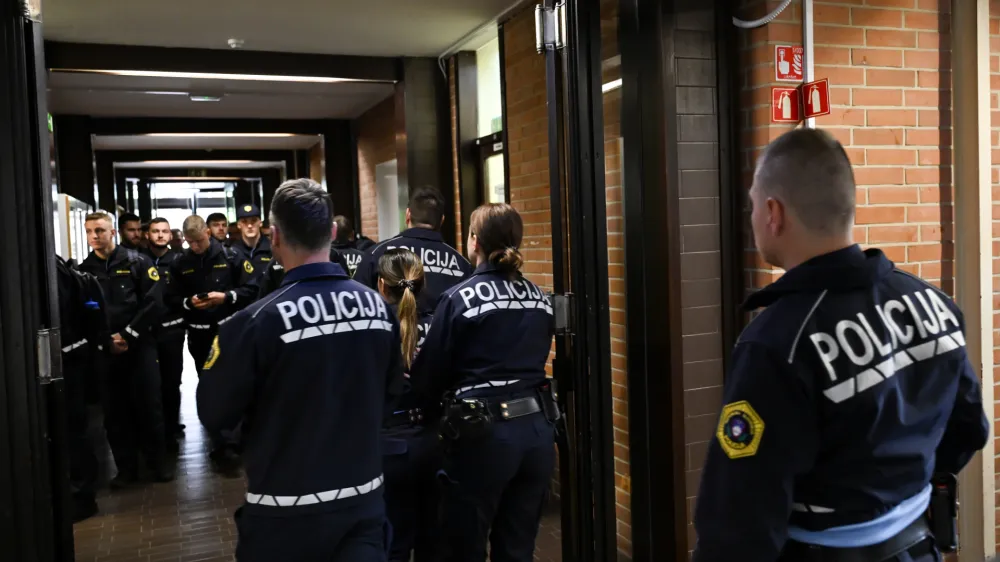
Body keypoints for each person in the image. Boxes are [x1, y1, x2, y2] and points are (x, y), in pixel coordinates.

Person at [691, 128, 989, 562]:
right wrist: (896, 494)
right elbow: (968, 428)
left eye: (754, 205)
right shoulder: (933, 304)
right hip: (918, 548)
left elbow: (740, 517)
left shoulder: (778, 343)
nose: (754, 216)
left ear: (773, 212)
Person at [197, 178, 405, 561]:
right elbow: (392, 392)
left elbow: (214, 413)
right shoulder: (379, 310)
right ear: (332, 232)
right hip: (363, 500)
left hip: (285, 511)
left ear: (274, 236)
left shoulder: (252, 323)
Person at [410, 203, 558, 562]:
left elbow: (428, 376)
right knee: (518, 546)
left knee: (464, 544)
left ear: (474, 241)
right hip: (537, 434)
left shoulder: (460, 298)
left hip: (483, 436)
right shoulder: (540, 298)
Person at [79, 212, 173, 486]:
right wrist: (106, 339)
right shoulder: (84, 271)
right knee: (115, 413)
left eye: (99, 230)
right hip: (106, 351)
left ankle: (157, 465)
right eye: (89, 231)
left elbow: (154, 303)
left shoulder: (136, 262)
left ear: (113, 233)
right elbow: (83, 313)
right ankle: (126, 469)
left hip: (139, 345)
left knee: (149, 407)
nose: (94, 236)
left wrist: (129, 333)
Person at [167, 214, 259, 474]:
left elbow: (252, 290)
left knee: (236, 384)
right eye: (190, 242)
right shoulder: (180, 262)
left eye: (198, 241)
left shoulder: (231, 257)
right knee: (210, 386)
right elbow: (170, 297)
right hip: (198, 333)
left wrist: (225, 296)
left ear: (207, 232)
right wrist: (189, 302)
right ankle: (221, 441)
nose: (195, 246)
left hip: (227, 330)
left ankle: (236, 441)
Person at [377, 249, 439, 562]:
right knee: (432, 538)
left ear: (380, 285)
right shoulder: (440, 321)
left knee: (394, 543)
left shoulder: (371, 328)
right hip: (433, 440)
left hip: (388, 445)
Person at [355, 186, 473, 312]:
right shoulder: (462, 264)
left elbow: (358, 304)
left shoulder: (377, 254)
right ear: (442, 220)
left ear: (407, 215)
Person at [56, 254, 110, 521]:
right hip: (69, 358)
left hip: (67, 360)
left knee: (73, 429)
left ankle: (83, 494)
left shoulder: (52, 269)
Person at [142, 217, 186, 449]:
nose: (160, 235)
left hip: (172, 330)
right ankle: (152, 433)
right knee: (149, 385)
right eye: (155, 231)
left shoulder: (179, 261)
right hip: (146, 333)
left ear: (171, 236)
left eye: (164, 231)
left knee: (171, 382)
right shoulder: (139, 260)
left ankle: (171, 428)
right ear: (147, 234)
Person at [229, 203, 273, 286]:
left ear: (260, 223)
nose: (249, 226)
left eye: (253, 220)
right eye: (244, 221)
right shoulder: (232, 252)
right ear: (238, 225)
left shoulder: (273, 249)